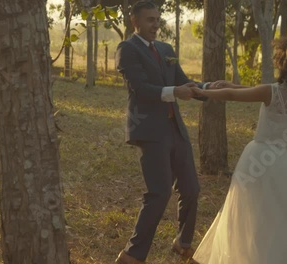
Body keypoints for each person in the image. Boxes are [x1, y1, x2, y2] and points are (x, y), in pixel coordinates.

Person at [190, 36, 287, 263]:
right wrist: (232, 85)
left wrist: (203, 92)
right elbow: (251, 91)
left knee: (254, 217)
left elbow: (237, 96)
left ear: (286, 64)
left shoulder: (271, 92)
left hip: (264, 164)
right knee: (284, 221)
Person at [114, 1, 213, 263]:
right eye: (149, 20)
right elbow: (140, 88)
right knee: (159, 193)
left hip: (175, 129)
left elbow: (182, 81)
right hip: (149, 130)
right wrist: (172, 93)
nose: (155, 24)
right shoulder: (127, 49)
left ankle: (183, 242)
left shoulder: (166, 49)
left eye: (157, 19)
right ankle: (132, 255)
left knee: (191, 188)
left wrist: (210, 87)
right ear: (135, 21)